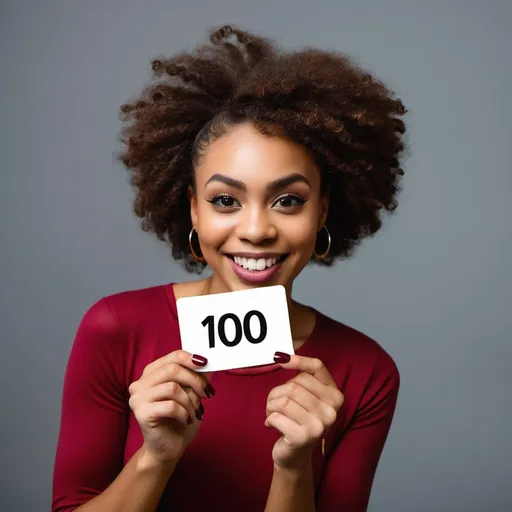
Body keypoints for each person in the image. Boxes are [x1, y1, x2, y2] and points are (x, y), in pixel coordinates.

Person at [52, 23, 407, 512]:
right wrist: (155, 458)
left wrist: (292, 465)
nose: (257, 229)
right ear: (193, 209)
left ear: (323, 209)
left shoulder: (365, 373)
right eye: (225, 200)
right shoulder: (115, 330)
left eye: (288, 200)